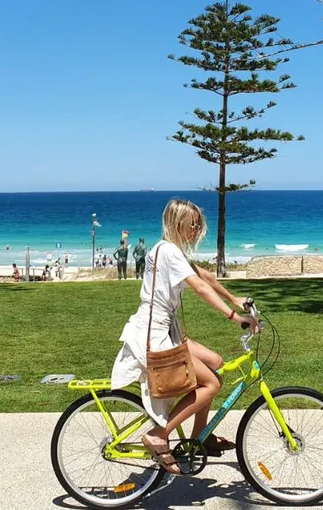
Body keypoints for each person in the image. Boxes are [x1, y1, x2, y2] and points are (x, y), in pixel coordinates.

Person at [111, 198, 259, 475]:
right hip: (155, 332)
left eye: (198, 225)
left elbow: (206, 277)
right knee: (212, 384)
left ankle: (201, 435)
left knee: (215, 361)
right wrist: (233, 316)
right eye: (192, 225)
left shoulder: (169, 250)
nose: (195, 230)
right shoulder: (168, 251)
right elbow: (200, 287)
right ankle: (159, 433)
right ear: (178, 224)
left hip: (166, 327)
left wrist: (234, 297)